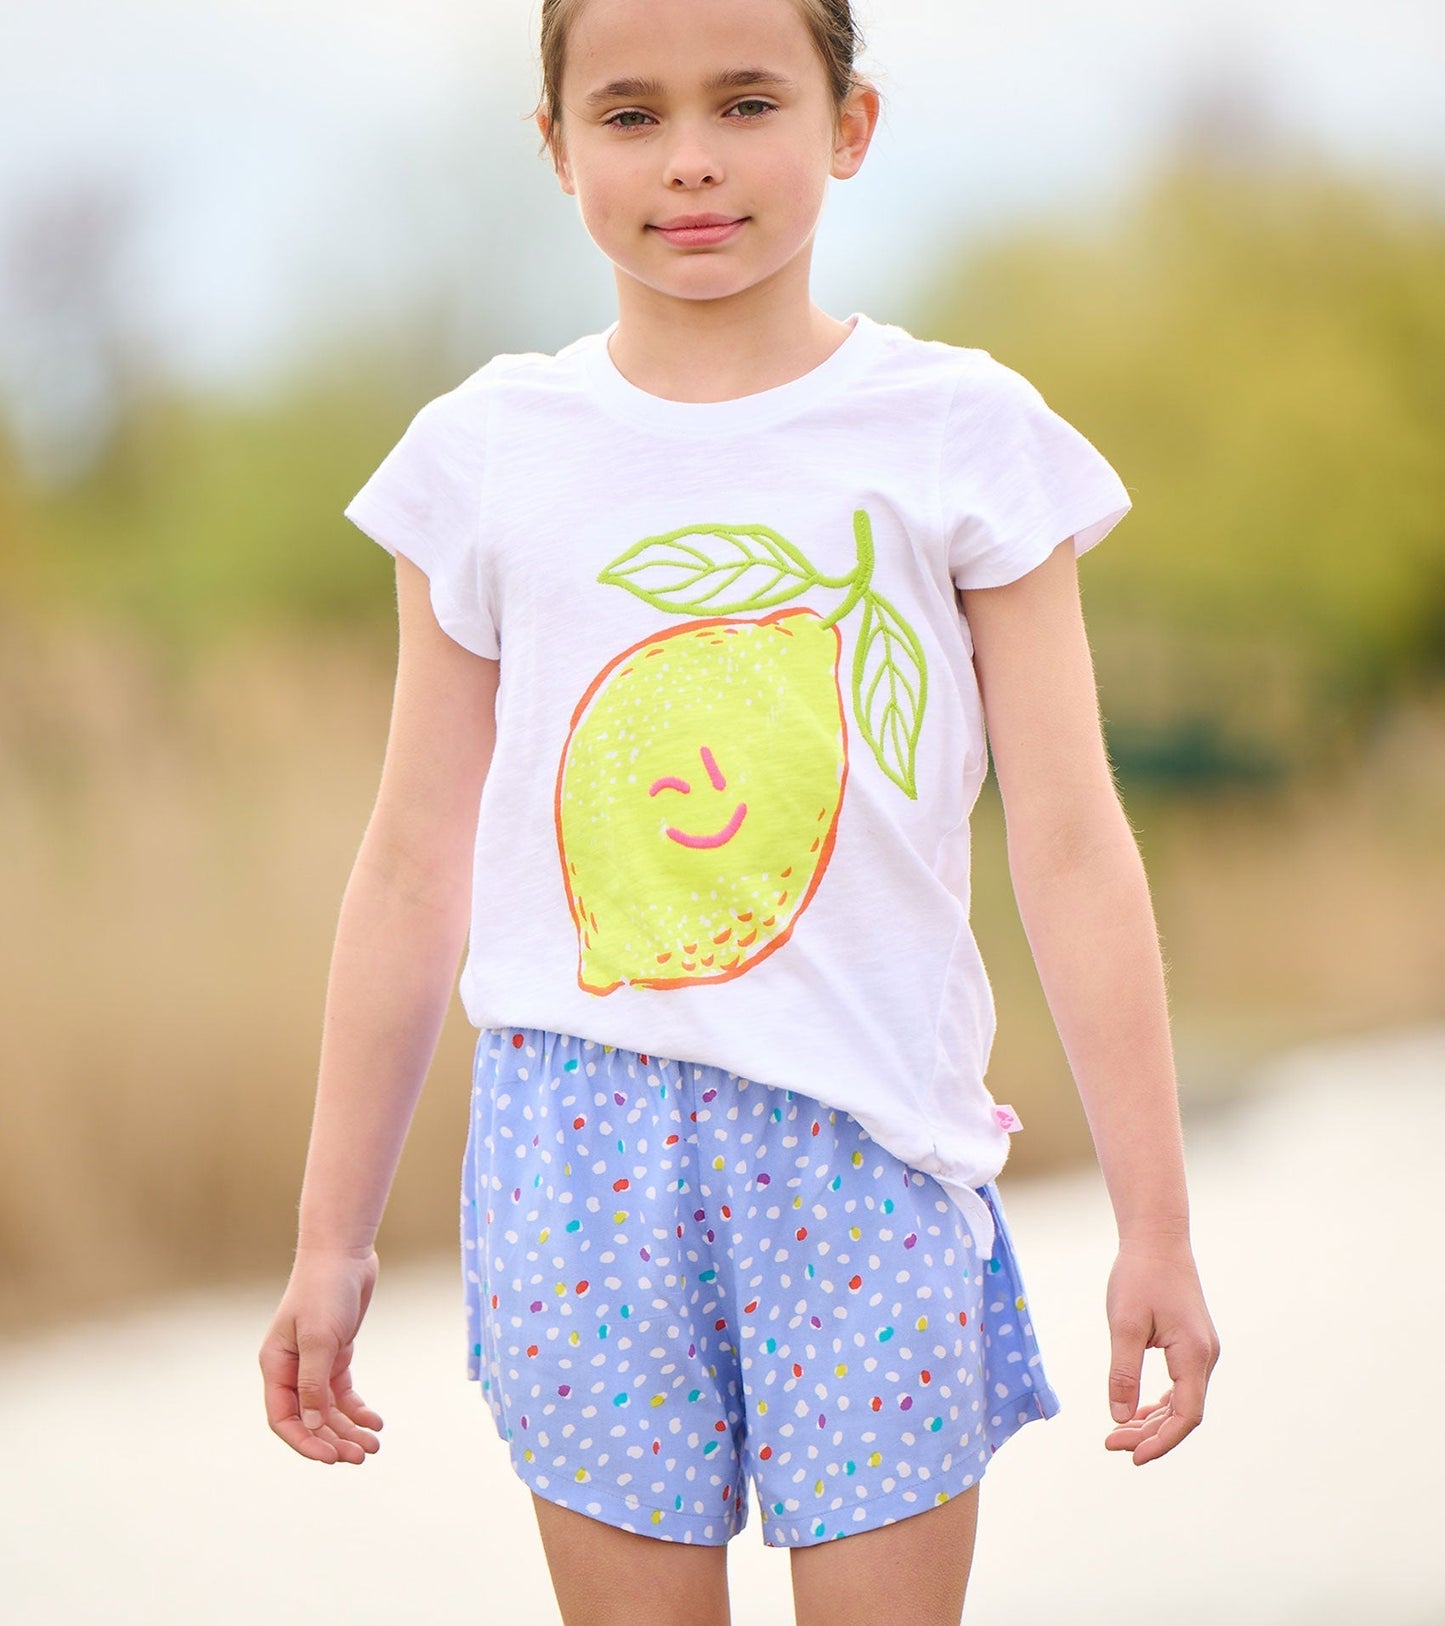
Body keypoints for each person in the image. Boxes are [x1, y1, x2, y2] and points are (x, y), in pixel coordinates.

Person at [259, 1, 1220, 1621]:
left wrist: (1157, 1223)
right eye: (628, 116)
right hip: (577, 1154)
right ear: (554, 146)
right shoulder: (487, 453)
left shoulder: (960, 433)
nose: (690, 161)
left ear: (848, 126)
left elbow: (1068, 844)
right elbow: (415, 861)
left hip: (867, 1143)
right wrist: (327, 1237)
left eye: (747, 102)